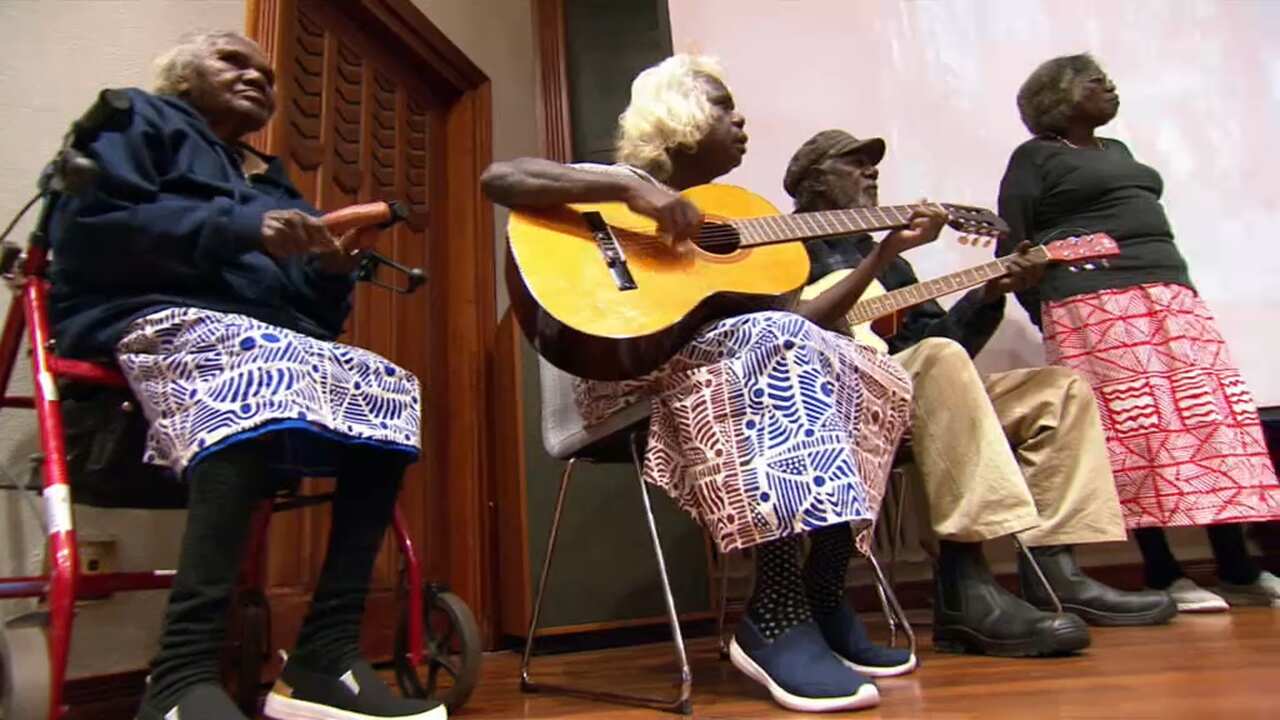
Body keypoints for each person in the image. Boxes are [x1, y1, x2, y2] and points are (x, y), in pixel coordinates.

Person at [482, 55, 944, 712]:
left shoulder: (735, 218)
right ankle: (775, 611)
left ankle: (823, 588)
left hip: (723, 364)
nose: (741, 120)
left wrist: (882, 253)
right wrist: (627, 193)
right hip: (630, 373)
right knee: (775, 342)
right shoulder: (614, 184)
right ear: (680, 113)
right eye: (725, 106)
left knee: (871, 367)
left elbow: (802, 319)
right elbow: (500, 178)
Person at [47, 32, 441, 720]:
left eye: (267, 73)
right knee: (251, 356)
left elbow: (312, 317)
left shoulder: (273, 182)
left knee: (388, 386)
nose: (258, 77)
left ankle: (324, 657)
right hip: (138, 314)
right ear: (182, 75)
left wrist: (331, 271)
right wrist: (239, 227)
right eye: (233, 61)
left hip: (252, 334)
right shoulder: (138, 118)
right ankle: (179, 678)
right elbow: (91, 231)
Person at [783, 129, 1178, 656]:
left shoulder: (894, 264)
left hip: (912, 397)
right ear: (813, 180)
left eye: (872, 163)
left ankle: (1055, 571)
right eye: (854, 163)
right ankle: (965, 584)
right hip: (833, 409)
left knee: (1058, 391)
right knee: (936, 360)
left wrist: (991, 294)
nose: (871, 171)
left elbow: (942, 344)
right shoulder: (781, 250)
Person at [998, 53, 1280, 612]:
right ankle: (1163, 571)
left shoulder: (1119, 151)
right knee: (1138, 433)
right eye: (1093, 79)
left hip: (1171, 294)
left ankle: (1236, 567)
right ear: (1057, 97)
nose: (1108, 85)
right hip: (1095, 304)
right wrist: (1052, 310)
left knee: (1207, 424)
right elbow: (1014, 245)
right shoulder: (1034, 157)